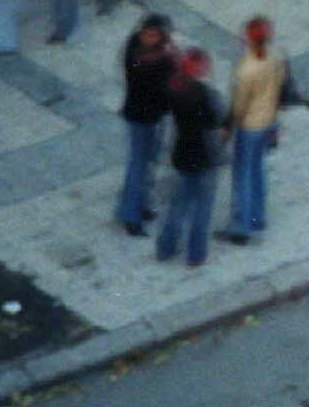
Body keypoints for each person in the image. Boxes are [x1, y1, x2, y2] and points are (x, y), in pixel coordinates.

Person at [156, 47, 227, 268]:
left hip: (182, 154)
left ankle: (165, 249)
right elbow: (221, 120)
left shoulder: (174, 90)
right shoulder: (208, 95)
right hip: (206, 157)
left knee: (178, 205)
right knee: (202, 209)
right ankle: (196, 255)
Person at [224, 17, 291, 245]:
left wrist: (229, 127)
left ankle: (241, 226)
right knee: (258, 168)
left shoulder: (246, 69)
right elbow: (281, 88)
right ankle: (258, 217)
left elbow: (240, 105)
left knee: (243, 174)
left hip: (249, 125)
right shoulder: (277, 57)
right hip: (269, 121)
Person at [114, 14, 173, 236]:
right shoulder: (142, 57)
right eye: (149, 34)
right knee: (138, 166)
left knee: (146, 163)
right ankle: (131, 215)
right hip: (142, 117)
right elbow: (159, 81)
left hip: (152, 116)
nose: (151, 38)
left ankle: (140, 205)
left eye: (156, 35)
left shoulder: (148, 51)